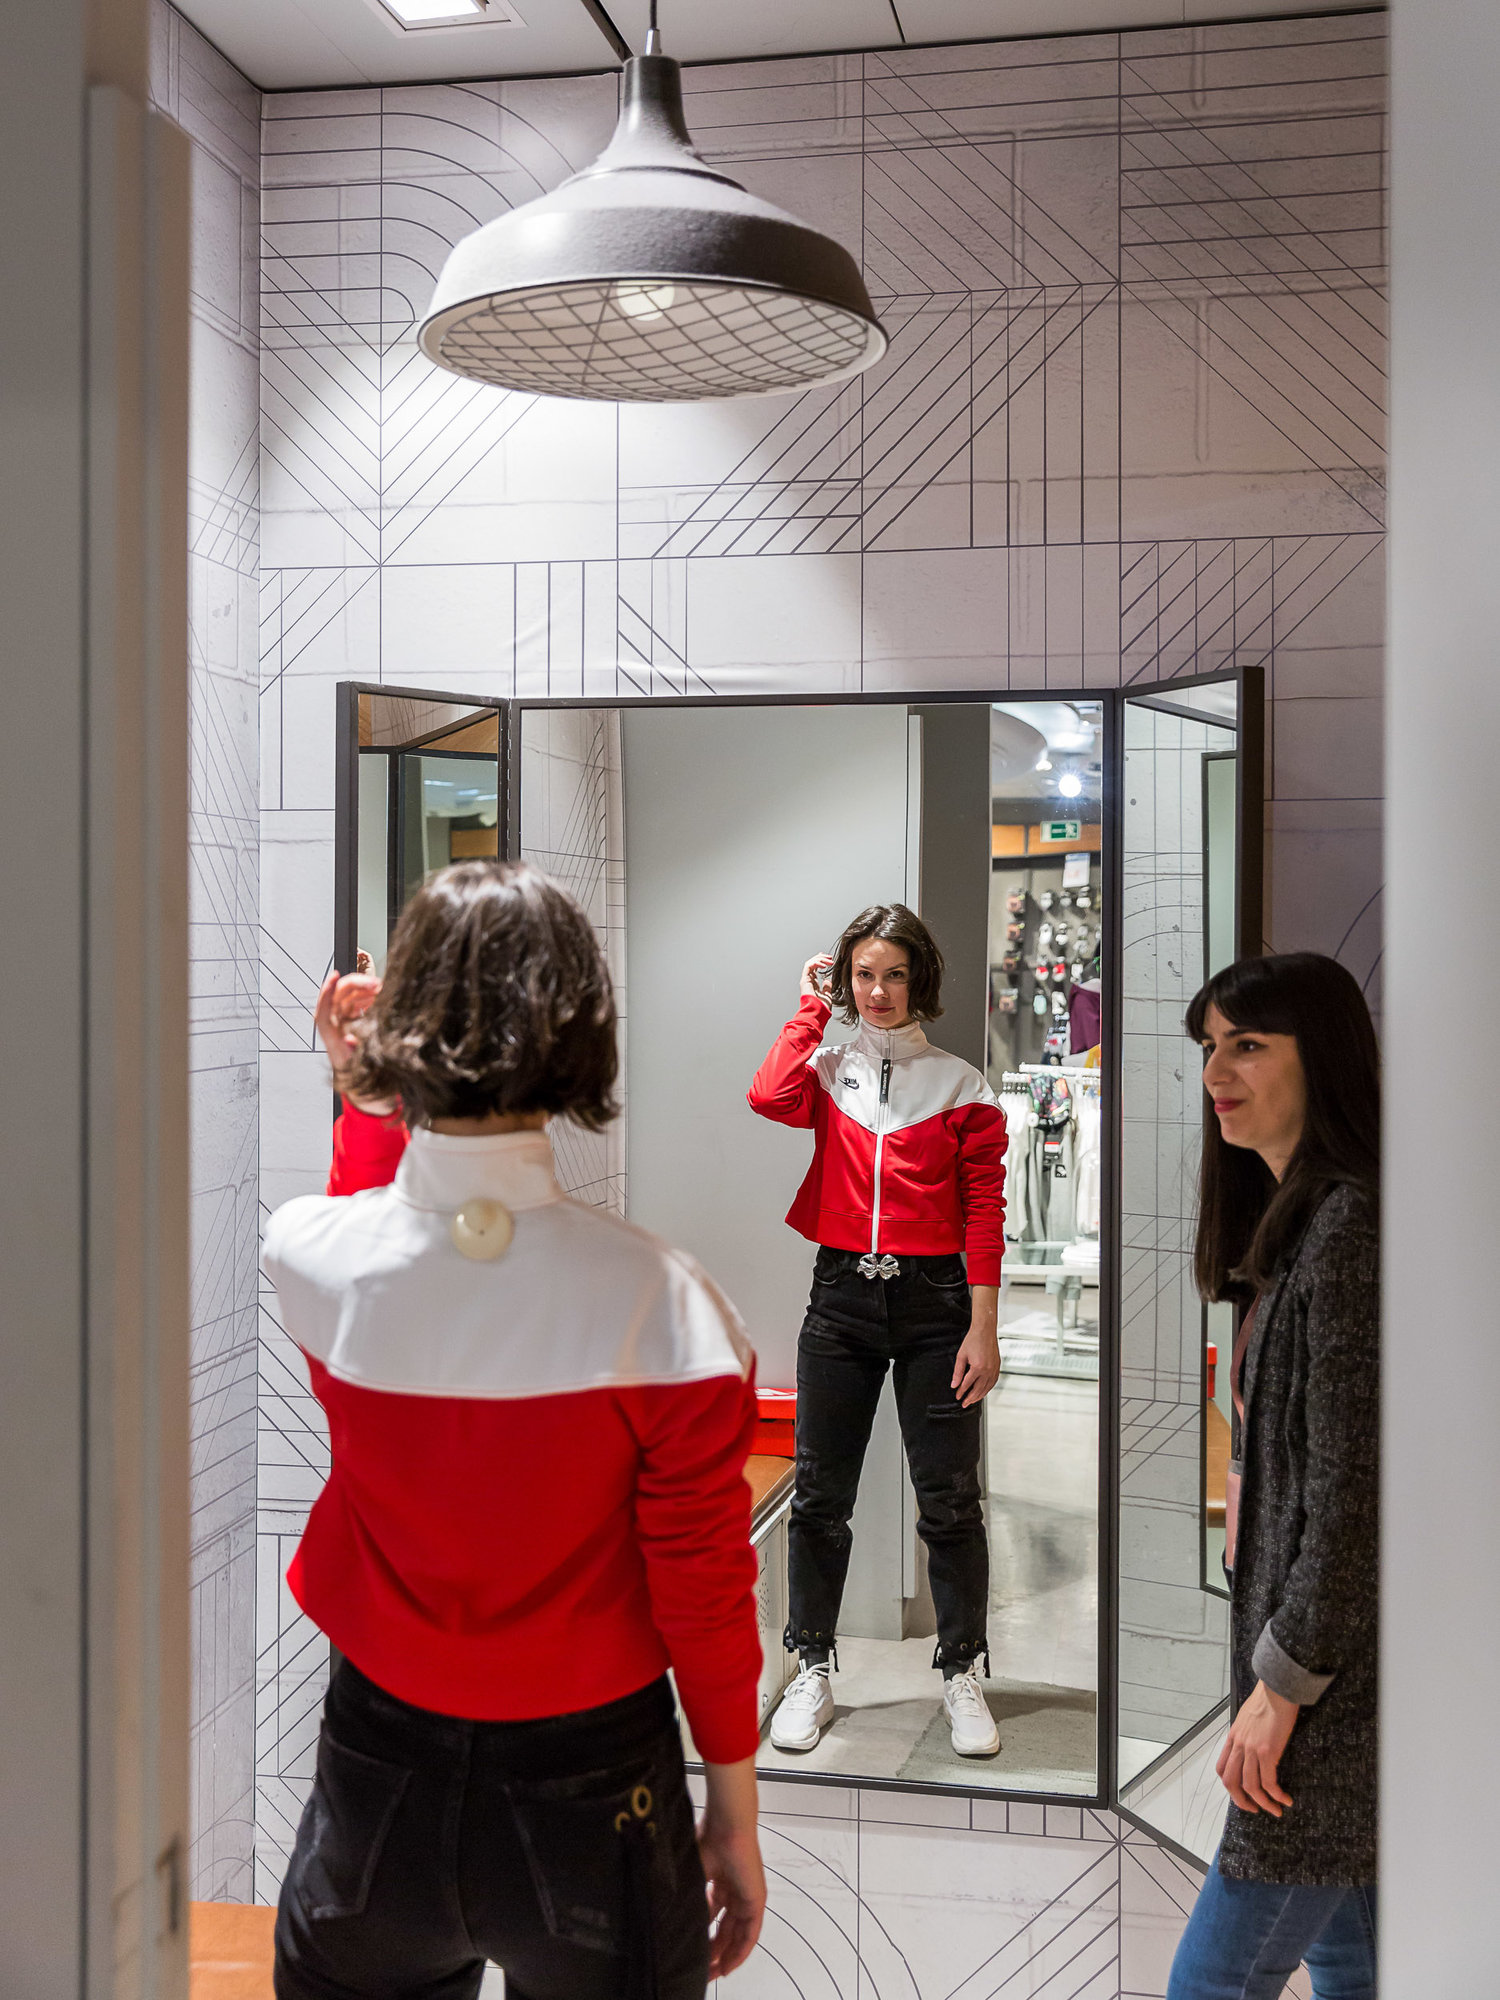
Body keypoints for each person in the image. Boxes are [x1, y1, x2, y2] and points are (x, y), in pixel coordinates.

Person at [263, 860, 767, 2000]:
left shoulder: (308, 1256)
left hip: (378, 1772)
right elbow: (702, 1587)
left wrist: (362, 1100)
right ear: (579, 1025)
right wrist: (732, 1811)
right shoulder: (673, 1310)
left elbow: (381, 1242)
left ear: (403, 1025)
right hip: (597, 1786)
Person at [747, 903, 1008, 1758]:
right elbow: (767, 1095)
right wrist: (810, 1009)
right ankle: (811, 1666)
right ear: (845, 980)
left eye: (894, 974)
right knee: (821, 1496)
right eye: (863, 974)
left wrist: (983, 1326)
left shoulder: (962, 1085)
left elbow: (984, 1213)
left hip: (938, 1307)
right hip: (841, 1300)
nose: (879, 990)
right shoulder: (827, 1069)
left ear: (918, 978)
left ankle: (961, 1669)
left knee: (950, 1500)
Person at [1167, 952, 1380, 2000]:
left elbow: (1354, 1499)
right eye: (1210, 1047)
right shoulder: (1303, 1226)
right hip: (1328, 1681)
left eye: (1248, 1044)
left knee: (1211, 1983)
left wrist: (1282, 1687)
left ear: (1321, 1056)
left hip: (1332, 1694)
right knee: (1356, 1961)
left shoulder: (1349, 1231)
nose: (1217, 1072)